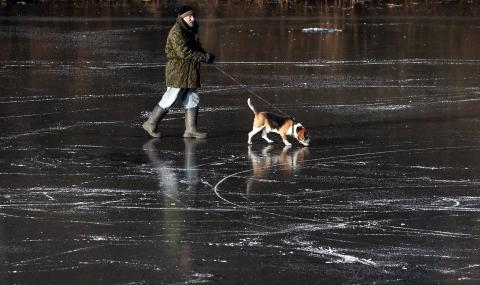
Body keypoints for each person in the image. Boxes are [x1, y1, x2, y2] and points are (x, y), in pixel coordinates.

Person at [142, 5, 215, 138]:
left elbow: (196, 48)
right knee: (171, 97)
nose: (192, 18)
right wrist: (204, 57)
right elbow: (184, 52)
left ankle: (190, 130)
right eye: (189, 16)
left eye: (193, 16)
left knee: (192, 97)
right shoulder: (177, 31)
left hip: (190, 72)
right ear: (182, 17)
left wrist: (207, 55)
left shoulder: (191, 31)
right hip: (178, 72)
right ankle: (150, 123)